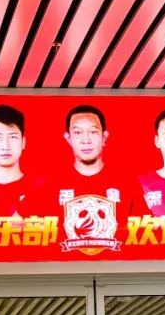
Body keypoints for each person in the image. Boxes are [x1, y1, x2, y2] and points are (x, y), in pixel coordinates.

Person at [18, 104, 132, 254]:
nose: (86, 140)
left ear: (104, 137)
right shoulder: (49, 184)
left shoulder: (127, 183)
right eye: (78, 132)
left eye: (93, 132)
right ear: (68, 138)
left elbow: (147, 230)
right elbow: (15, 225)